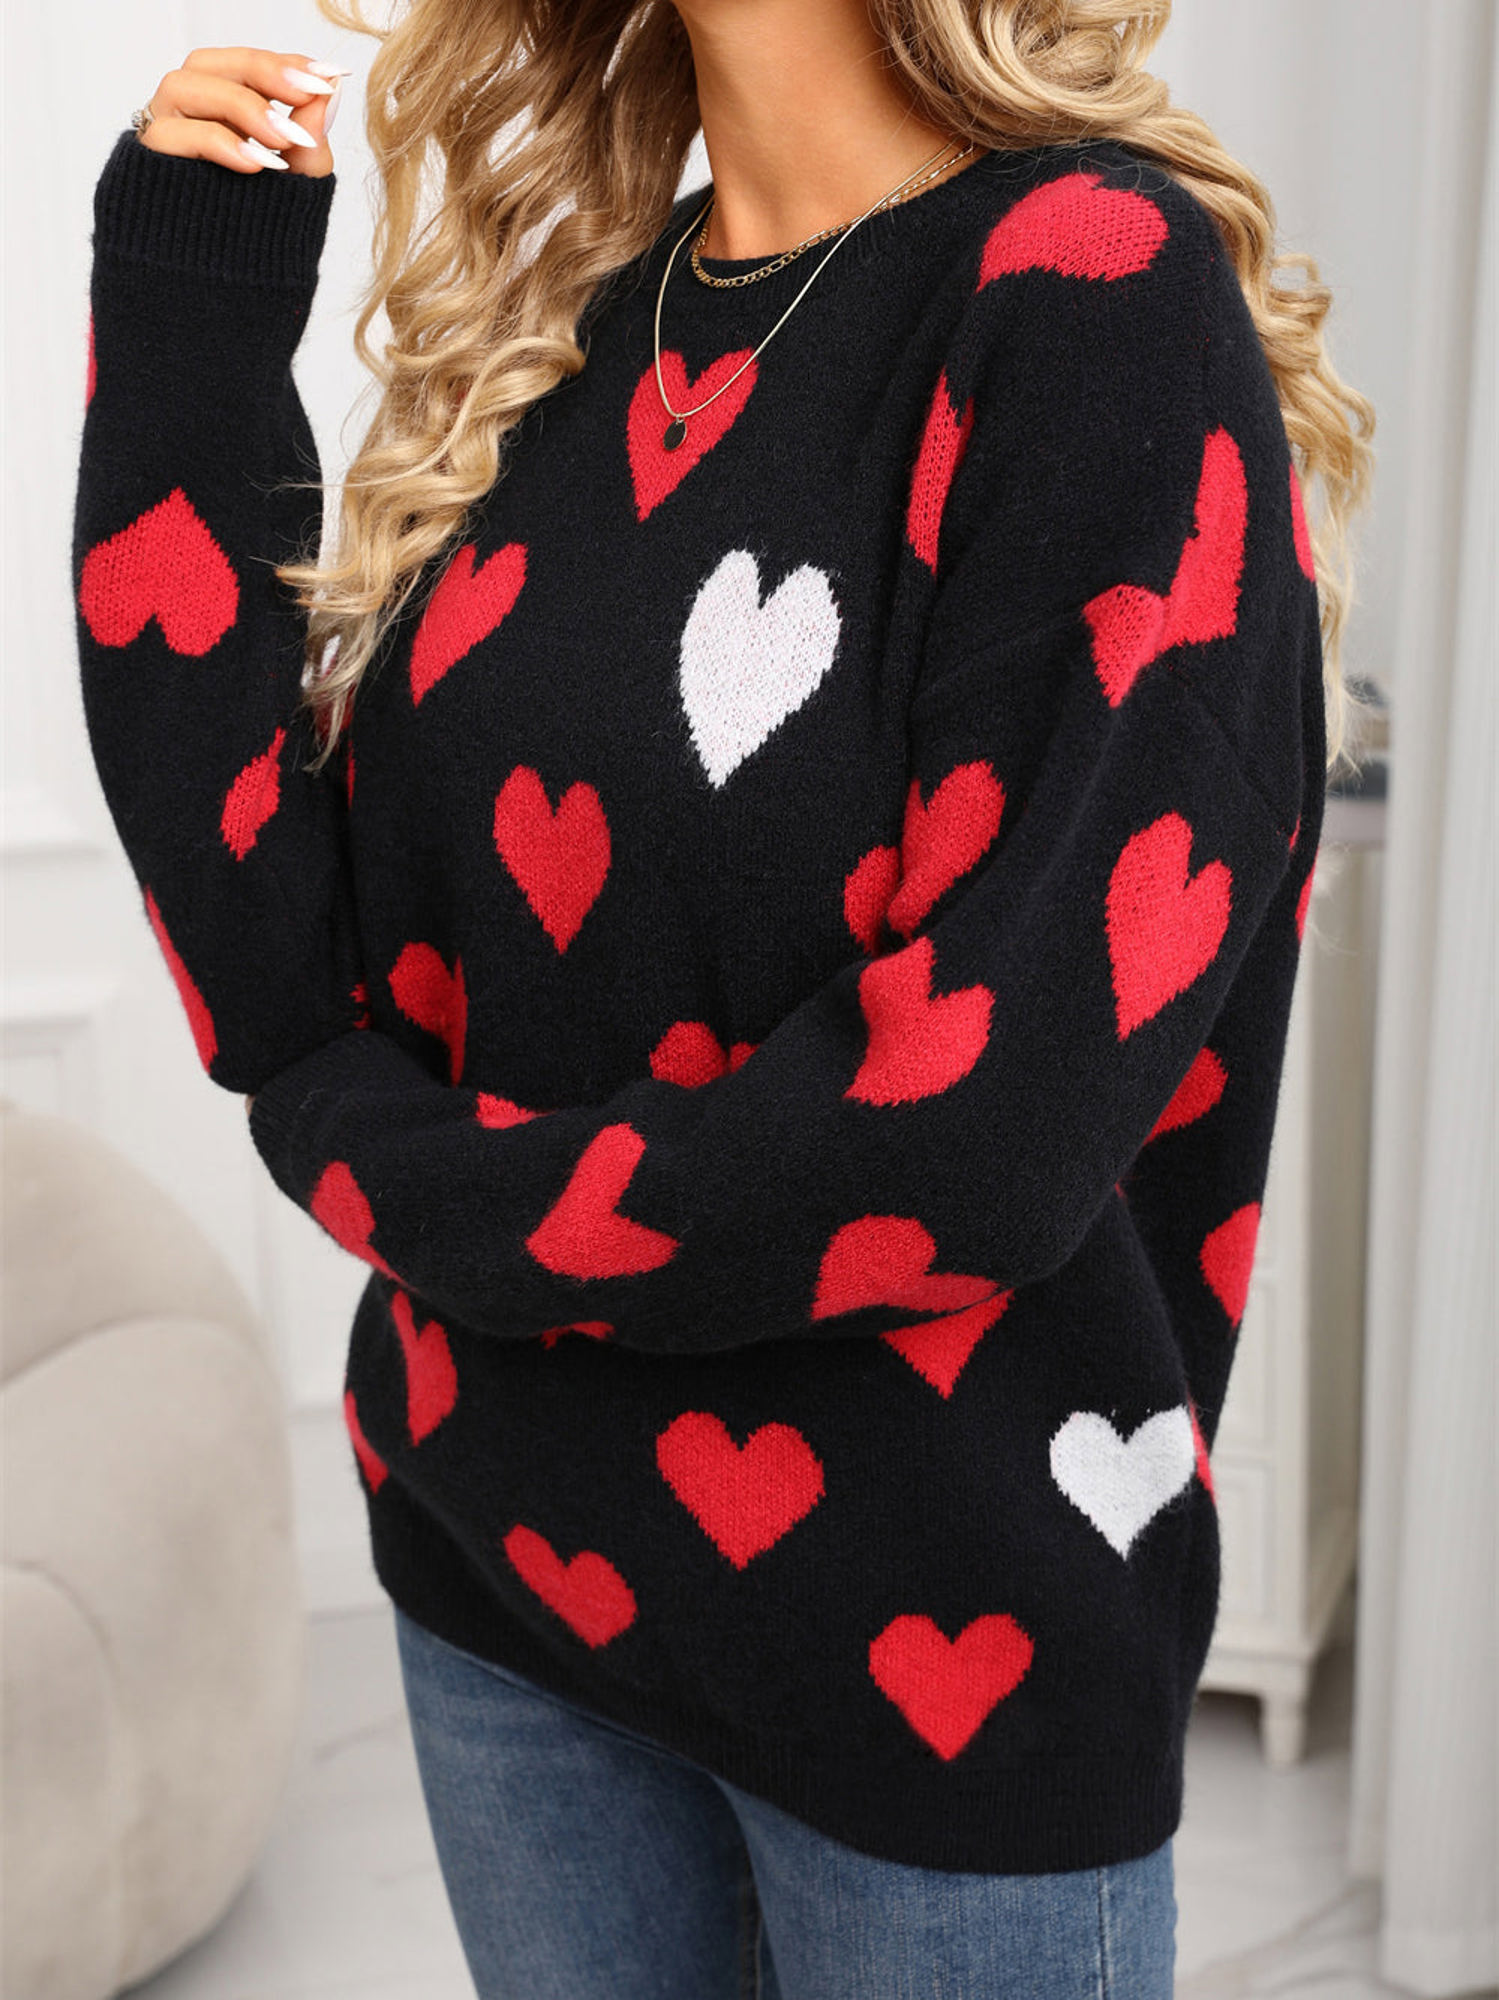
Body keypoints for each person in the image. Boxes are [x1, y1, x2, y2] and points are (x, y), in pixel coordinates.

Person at [75, 3, 1375, 1994]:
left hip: (941, 1677)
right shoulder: (581, 326)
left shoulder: (1089, 291)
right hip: (505, 1589)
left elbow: (975, 1137)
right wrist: (188, 319)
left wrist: (417, 1193)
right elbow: (279, 972)